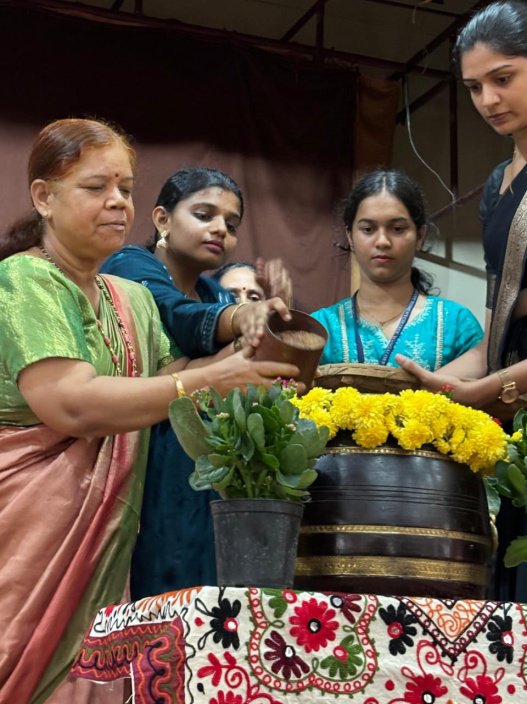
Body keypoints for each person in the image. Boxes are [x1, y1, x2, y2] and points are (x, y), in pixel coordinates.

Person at [0, 119, 299, 704]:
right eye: (96, 187)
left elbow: (167, 379)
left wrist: (252, 347)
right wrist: (211, 375)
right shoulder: (25, 280)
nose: (118, 202)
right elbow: (72, 404)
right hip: (28, 539)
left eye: (126, 188)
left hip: (104, 549)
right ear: (44, 197)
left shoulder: (130, 297)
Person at [101, 168, 293, 600]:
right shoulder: (130, 267)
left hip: (206, 465)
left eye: (231, 224)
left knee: (210, 599)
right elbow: (176, 315)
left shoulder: (216, 295)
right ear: (163, 219)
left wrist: (264, 323)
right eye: (204, 215)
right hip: (142, 458)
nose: (220, 229)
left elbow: (235, 371)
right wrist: (239, 324)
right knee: (156, 594)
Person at [393, 0, 527, 601]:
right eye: (474, 87)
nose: (488, 100)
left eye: (504, 78)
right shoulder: (498, 184)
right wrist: (432, 388)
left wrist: (487, 391)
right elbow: (498, 323)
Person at [310, 169, 483, 368]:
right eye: (368, 229)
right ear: (350, 236)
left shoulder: (456, 325)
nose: (382, 241)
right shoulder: (320, 328)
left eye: (398, 229)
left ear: (420, 236)